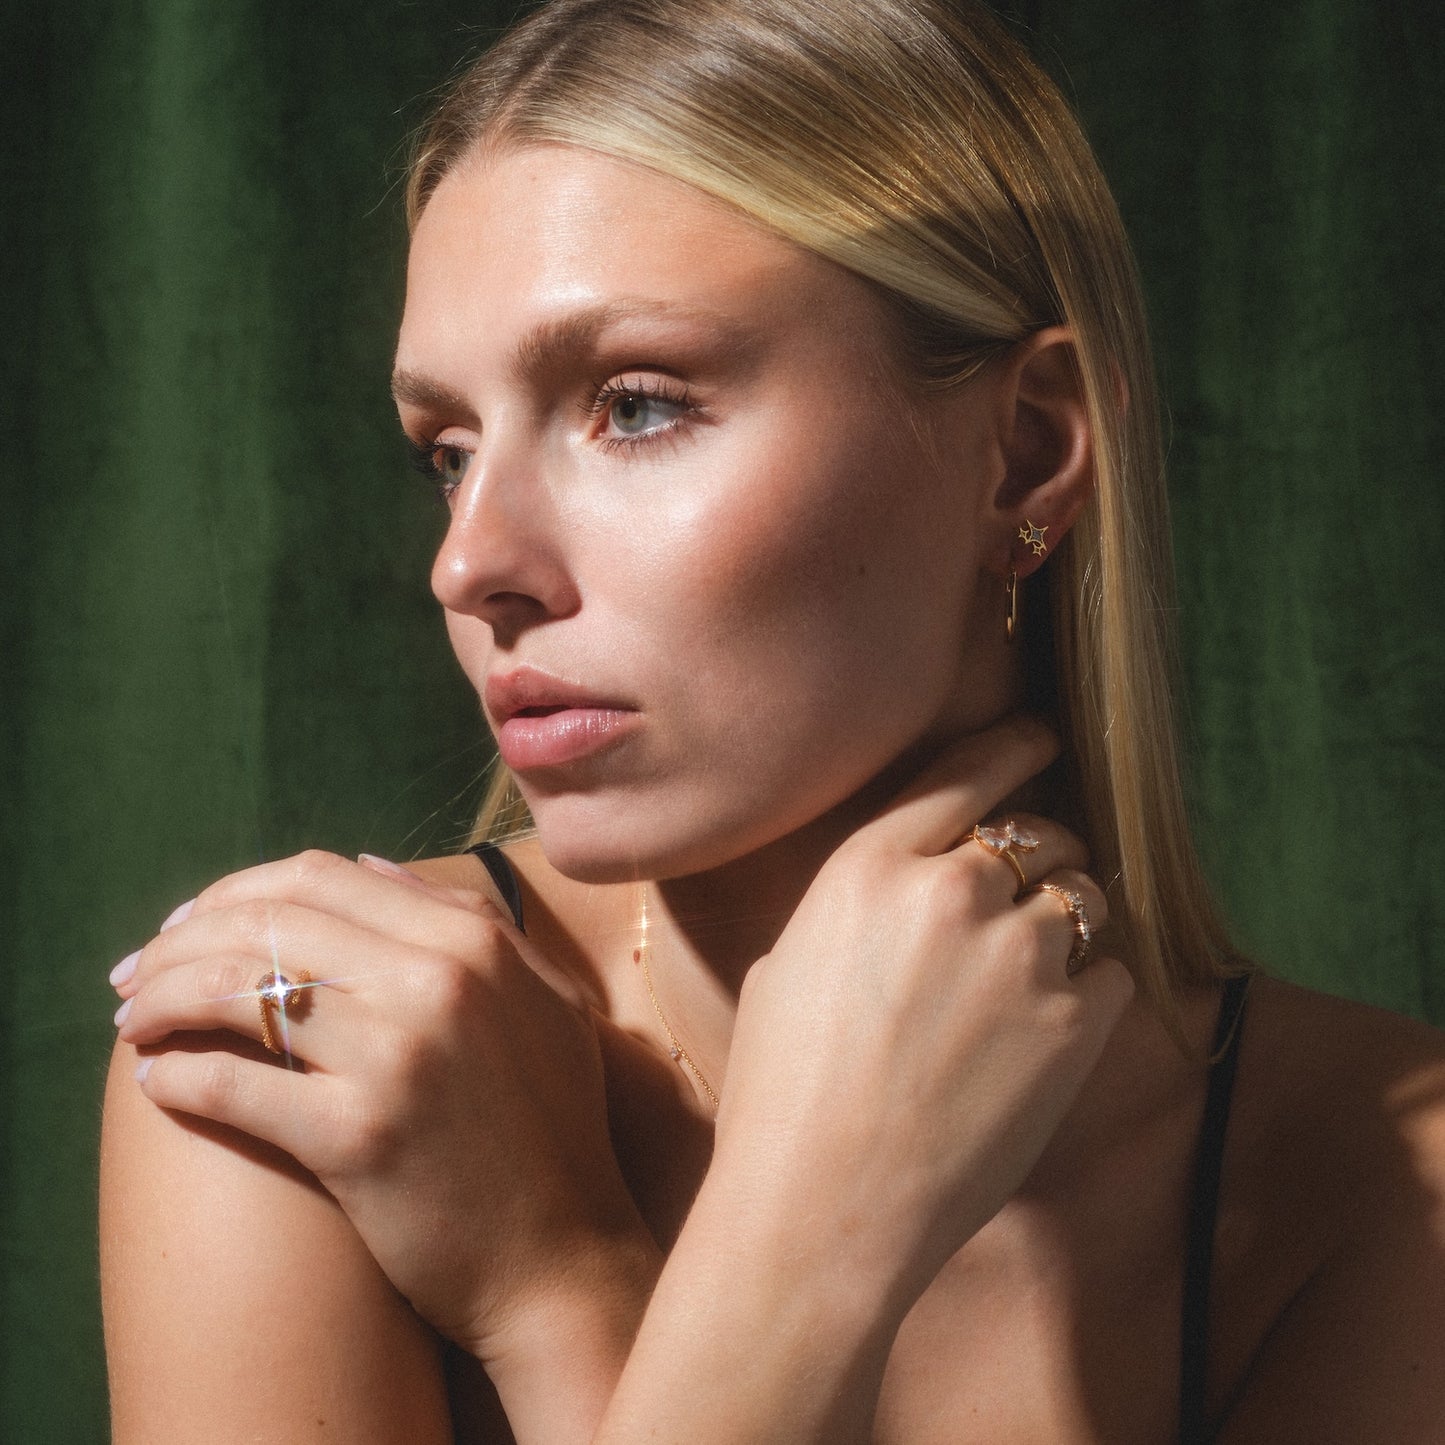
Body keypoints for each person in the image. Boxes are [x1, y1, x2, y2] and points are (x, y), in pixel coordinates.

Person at [99, 1, 1445, 1440]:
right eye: (447, 449)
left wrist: (575, 1296)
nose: (469, 563)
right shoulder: (309, 1050)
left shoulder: (1388, 1190)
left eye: (632, 404)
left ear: (1028, 450)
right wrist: (739, 1264)